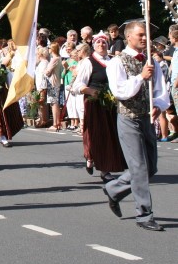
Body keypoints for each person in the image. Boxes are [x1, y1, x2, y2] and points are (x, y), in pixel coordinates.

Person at [103, 22, 168, 232]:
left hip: (146, 118)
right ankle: (144, 214)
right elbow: (120, 91)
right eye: (140, 35)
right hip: (128, 118)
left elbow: (160, 88)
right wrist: (141, 77)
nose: (144, 38)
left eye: (146, 35)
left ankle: (113, 189)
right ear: (129, 37)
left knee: (150, 168)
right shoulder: (117, 62)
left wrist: (158, 104)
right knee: (139, 168)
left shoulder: (151, 62)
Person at [71, 31, 125, 182]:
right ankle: (92, 158)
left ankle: (105, 168)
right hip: (94, 104)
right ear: (94, 45)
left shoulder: (114, 61)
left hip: (111, 104)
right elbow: (77, 85)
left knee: (111, 135)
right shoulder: (88, 62)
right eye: (98, 43)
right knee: (97, 135)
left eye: (104, 43)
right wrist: (90, 91)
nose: (101, 45)